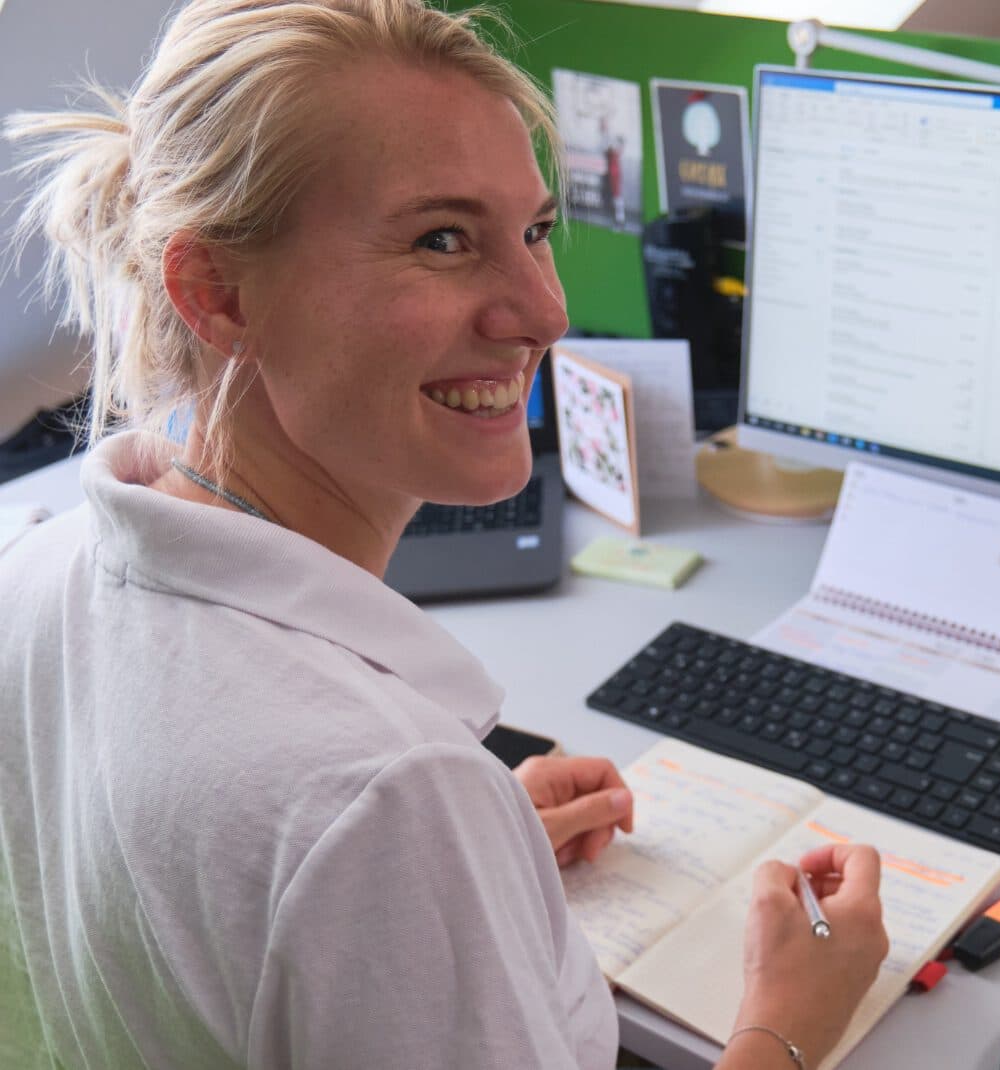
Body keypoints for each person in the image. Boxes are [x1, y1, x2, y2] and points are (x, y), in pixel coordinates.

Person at [0, 2, 889, 1068]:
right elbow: (317, 806)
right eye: (441, 239)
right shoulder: (384, 795)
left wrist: (462, 861)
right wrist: (786, 1022)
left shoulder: (31, 572)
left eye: (535, 232)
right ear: (218, 293)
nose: (544, 311)